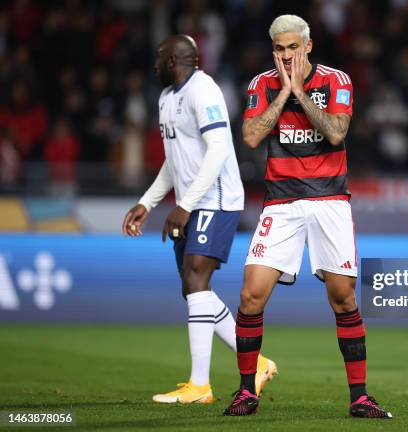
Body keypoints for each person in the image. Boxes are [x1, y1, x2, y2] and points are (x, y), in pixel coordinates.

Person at [222, 15, 391, 418]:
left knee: (343, 297)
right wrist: (285, 93)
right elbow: (249, 136)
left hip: (330, 200)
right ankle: (247, 391)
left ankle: (359, 397)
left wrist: (302, 91)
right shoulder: (261, 85)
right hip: (281, 203)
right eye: (279, 49)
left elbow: (336, 133)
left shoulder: (337, 81)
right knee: (250, 295)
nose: (285, 55)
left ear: (308, 46)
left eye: (292, 48)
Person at [121, 34, 277, 405]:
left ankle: (200, 385)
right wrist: (148, 201)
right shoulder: (165, 98)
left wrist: (186, 205)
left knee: (196, 276)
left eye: (160, 56)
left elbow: (220, 149)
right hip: (192, 202)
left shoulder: (203, 90)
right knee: (194, 290)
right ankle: (257, 365)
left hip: (216, 199)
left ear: (176, 59)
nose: (155, 63)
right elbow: (174, 162)